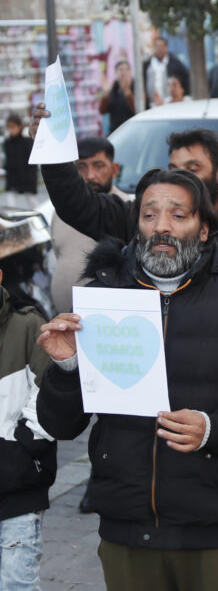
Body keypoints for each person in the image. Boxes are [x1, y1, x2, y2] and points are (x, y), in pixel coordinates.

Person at [35, 168, 218, 591]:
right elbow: (60, 425)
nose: (162, 227)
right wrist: (67, 369)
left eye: (178, 215)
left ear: (205, 228)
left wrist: (213, 429)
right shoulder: (105, 302)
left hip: (211, 533)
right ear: (136, 225)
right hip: (125, 531)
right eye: (149, 214)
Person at [0, 241, 56, 591]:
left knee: (16, 581)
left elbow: (50, 394)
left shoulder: (27, 324)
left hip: (17, 486)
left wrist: (21, 448)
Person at [50, 137, 131, 314]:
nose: (90, 175)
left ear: (114, 169)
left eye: (98, 166)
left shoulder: (130, 212)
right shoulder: (61, 212)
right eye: (82, 167)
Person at [143, 37, 190, 107]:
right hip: (152, 105)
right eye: (157, 46)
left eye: (161, 46)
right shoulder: (146, 65)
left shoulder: (176, 64)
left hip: (171, 104)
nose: (159, 49)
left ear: (166, 47)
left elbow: (186, 79)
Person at [98, 60, 136, 132]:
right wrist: (106, 94)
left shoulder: (136, 87)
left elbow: (138, 109)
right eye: (121, 69)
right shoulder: (112, 88)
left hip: (132, 130)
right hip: (116, 131)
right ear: (115, 72)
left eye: (126, 69)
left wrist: (127, 92)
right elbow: (102, 111)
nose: (123, 73)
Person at [3, 113, 36, 196]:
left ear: (20, 126)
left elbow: (32, 163)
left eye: (13, 127)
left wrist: (31, 179)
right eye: (9, 127)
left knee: (31, 200)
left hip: (26, 178)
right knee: (10, 201)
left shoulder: (26, 141)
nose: (11, 130)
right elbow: (8, 161)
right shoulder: (7, 142)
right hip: (12, 178)